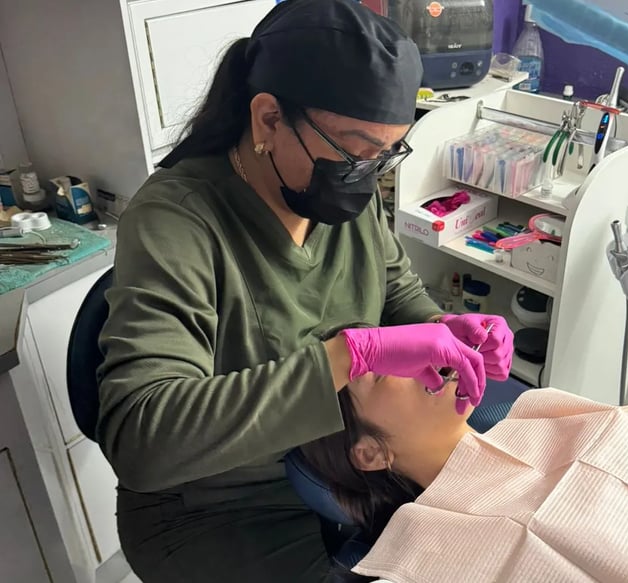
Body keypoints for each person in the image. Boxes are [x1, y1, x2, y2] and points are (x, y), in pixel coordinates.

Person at [94, 0, 514, 581]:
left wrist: (443, 328)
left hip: (344, 467)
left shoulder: (340, 191)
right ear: (268, 118)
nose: (365, 174)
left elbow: (394, 293)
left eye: (384, 154)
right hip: (221, 502)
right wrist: (348, 356)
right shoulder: (177, 220)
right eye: (352, 150)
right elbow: (144, 440)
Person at [299, 365, 628, 583]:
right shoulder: (416, 560)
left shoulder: (560, 414)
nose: (420, 360)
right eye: (382, 373)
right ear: (370, 454)